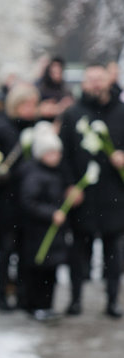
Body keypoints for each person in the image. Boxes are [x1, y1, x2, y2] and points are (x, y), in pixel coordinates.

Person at [59, 63, 124, 318]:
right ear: (84, 83)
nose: (96, 84)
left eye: (100, 78)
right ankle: (75, 299)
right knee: (78, 252)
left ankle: (112, 301)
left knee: (114, 253)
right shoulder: (73, 114)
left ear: (109, 80)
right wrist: (69, 185)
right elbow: (63, 154)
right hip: (82, 197)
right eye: (91, 79)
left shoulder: (121, 112)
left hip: (114, 196)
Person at [0, 82, 41, 311]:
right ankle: (2, 295)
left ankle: (22, 295)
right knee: (6, 250)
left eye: (33, 104)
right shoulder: (2, 128)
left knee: (24, 250)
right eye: (25, 104)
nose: (30, 109)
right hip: (7, 200)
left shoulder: (38, 128)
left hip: (27, 200)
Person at [18, 122, 67, 322]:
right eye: (50, 153)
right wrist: (50, 213)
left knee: (50, 273)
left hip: (53, 235)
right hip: (39, 234)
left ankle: (47, 305)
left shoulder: (56, 173)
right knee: (38, 273)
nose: (55, 157)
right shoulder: (34, 175)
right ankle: (35, 305)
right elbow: (28, 202)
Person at [36, 56, 73, 121]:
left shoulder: (65, 87)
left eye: (59, 71)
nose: (57, 74)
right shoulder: (40, 87)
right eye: (54, 72)